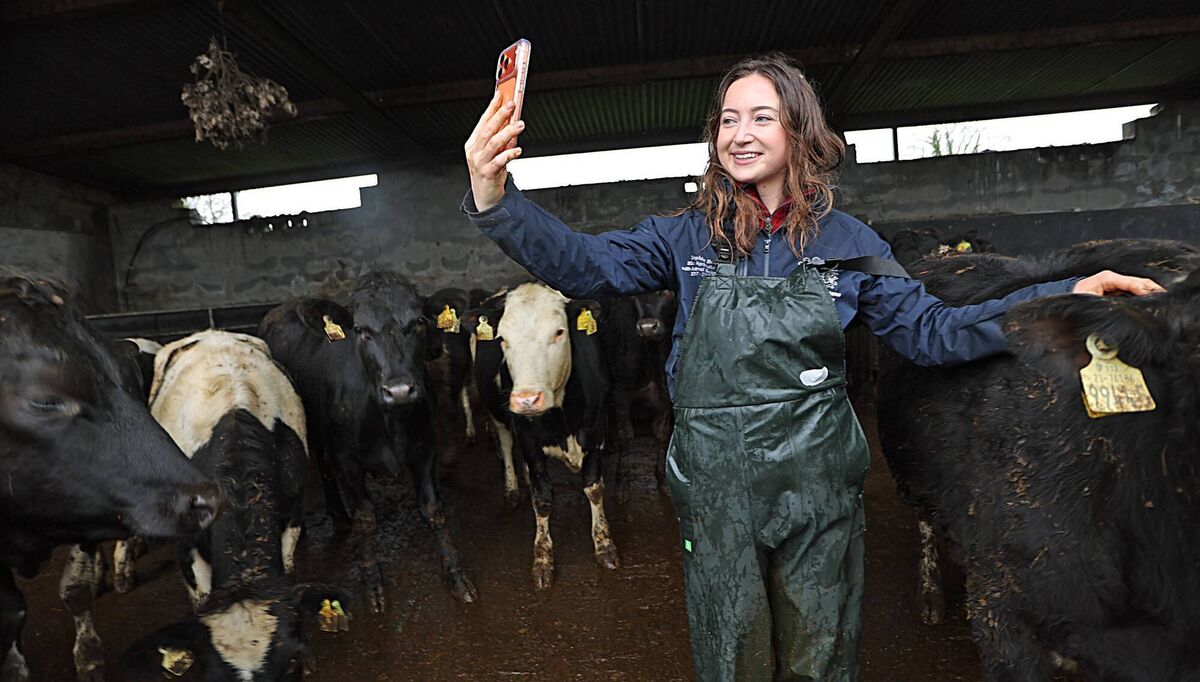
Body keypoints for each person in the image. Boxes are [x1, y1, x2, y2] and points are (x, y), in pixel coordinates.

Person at [461, 53, 1164, 681]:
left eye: (761, 116)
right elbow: (583, 264)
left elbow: (930, 331)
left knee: (820, 652)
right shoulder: (684, 236)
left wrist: (1062, 295)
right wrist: (496, 198)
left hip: (817, 485)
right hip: (715, 484)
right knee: (730, 645)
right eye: (727, 119)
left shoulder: (850, 242)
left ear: (798, 130)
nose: (739, 133)